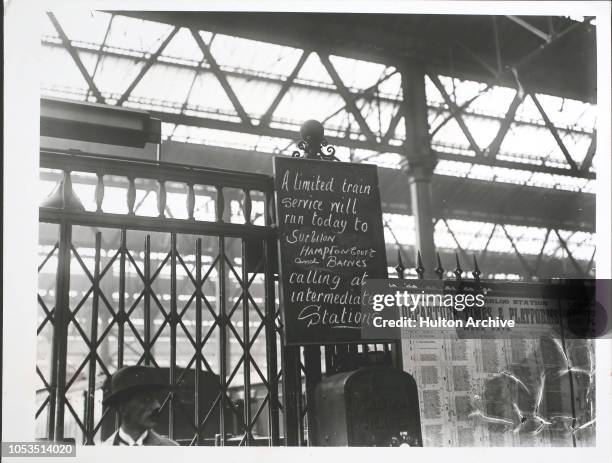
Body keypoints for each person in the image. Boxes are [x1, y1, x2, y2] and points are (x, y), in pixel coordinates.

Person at [102, 365, 179, 446]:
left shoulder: (171, 448)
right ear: (123, 408)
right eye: (146, 400)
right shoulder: (102, 452)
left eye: (156, 399)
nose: (157, 406)